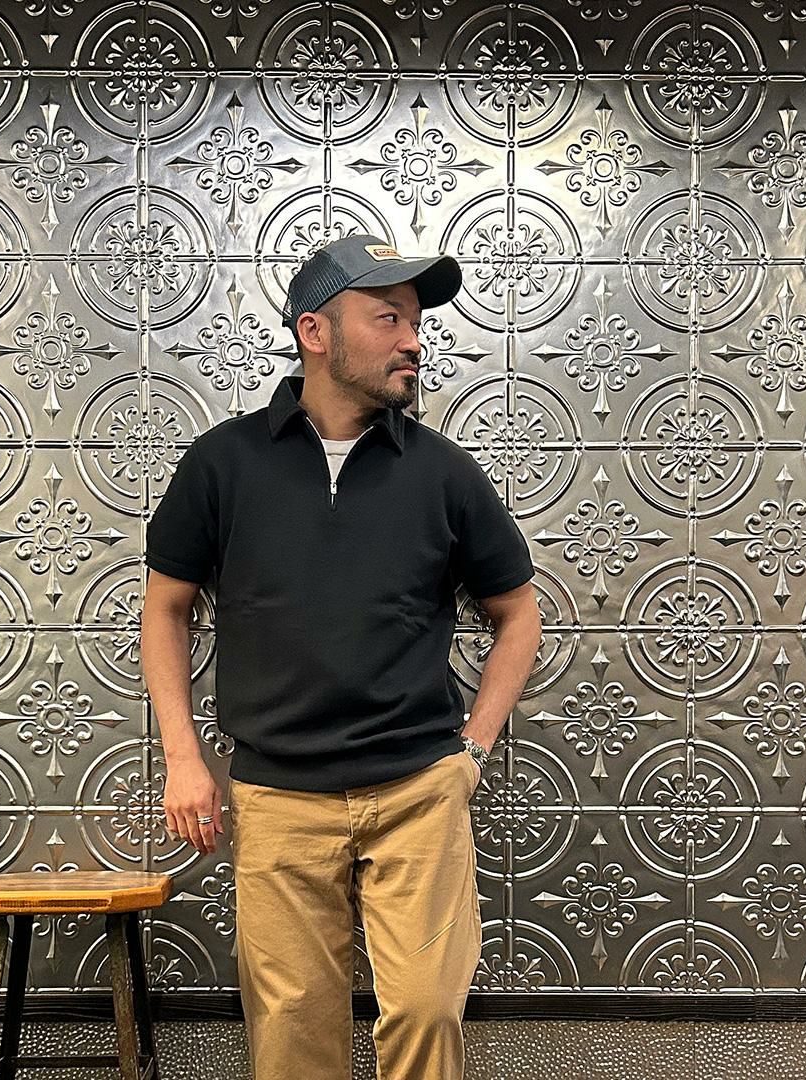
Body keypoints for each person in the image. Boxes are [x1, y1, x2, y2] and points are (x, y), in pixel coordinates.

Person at [139, 234, 542, 1080]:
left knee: (427, 1012)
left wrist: (472, 752)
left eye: (417, 322)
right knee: (292, 1033)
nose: (414, 341)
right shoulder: (222, 463)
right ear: (314, 332)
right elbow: (165, 609)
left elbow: (519, 616)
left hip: (417, 794)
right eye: (389, 318)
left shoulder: (444, 473)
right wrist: (183, 758)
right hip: (278, 796)